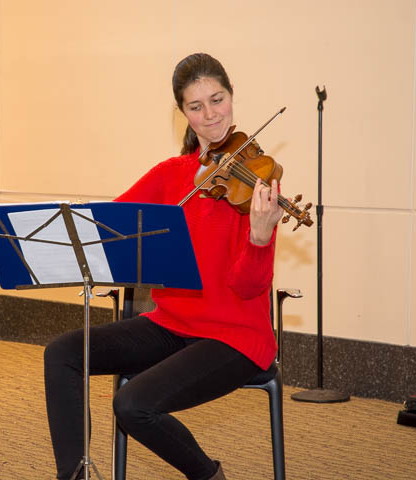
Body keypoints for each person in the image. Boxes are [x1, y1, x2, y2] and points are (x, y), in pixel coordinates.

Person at [44, 52, 283, 480]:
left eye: (217, 100)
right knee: (62, 353)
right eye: (196, 106)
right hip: (172, 323)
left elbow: (247, 288)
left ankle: (209, 476)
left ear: (231, 97)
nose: (211, 115)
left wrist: (260, 239)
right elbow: (108, 225)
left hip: (236, 336)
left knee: (132, 404)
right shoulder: (171, 174)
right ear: (183, 114)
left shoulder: (258, 183)